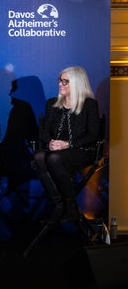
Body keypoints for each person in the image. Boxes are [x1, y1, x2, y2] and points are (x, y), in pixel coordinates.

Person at [34, 66, 100, 223]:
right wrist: (50, 142)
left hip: (81, 149)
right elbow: (44, 131)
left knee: (54, 159)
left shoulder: (89, 104)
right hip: (56, 149)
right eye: (60, 80)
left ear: (77, 83)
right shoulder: (52, 104)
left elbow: (94, 135)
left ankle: (70, 207)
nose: (60, 84)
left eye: (65, 81)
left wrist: (68, 144)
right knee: (39, 156)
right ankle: (60, 205)